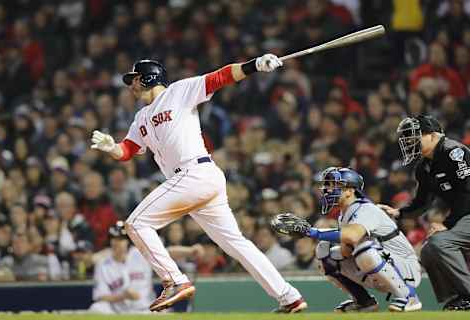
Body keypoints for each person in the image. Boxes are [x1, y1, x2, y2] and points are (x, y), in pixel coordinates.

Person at [90, 56, 306, 312]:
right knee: (236, 243)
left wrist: (255, 65)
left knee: (137, 224)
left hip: (196, 172)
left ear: (148, 77)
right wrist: (111, 147)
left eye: (134, 79)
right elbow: (127, 151)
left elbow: (220, 77)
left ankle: (175, 281)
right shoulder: (140, 117)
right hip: (193, 181)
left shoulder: (178, 91)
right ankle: (289, 297)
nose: (131, 85)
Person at [272, 167, 422, 312]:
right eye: (328, 185)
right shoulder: (344, 215)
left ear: (350, 191)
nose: (328, 190)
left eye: (334, 185)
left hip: (405, 268)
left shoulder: (365, 208)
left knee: (363, 249)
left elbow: (353, 236)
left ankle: (409, 297)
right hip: (381, 267)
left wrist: (313, 232)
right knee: (325, 252)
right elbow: (345, 251)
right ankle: (364, 302)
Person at [379, 115, 470, 311]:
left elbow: (468, 189)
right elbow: (422, 203)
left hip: (466, 213)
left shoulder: (454, 152)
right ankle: (458, 298)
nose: (410, 143)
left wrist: (448, 223)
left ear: (432, 135)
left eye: (414, 137)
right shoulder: (424, 167)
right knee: (429, 249)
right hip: (464, 215)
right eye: (407, 139)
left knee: (440, 242)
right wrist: (399, 213)